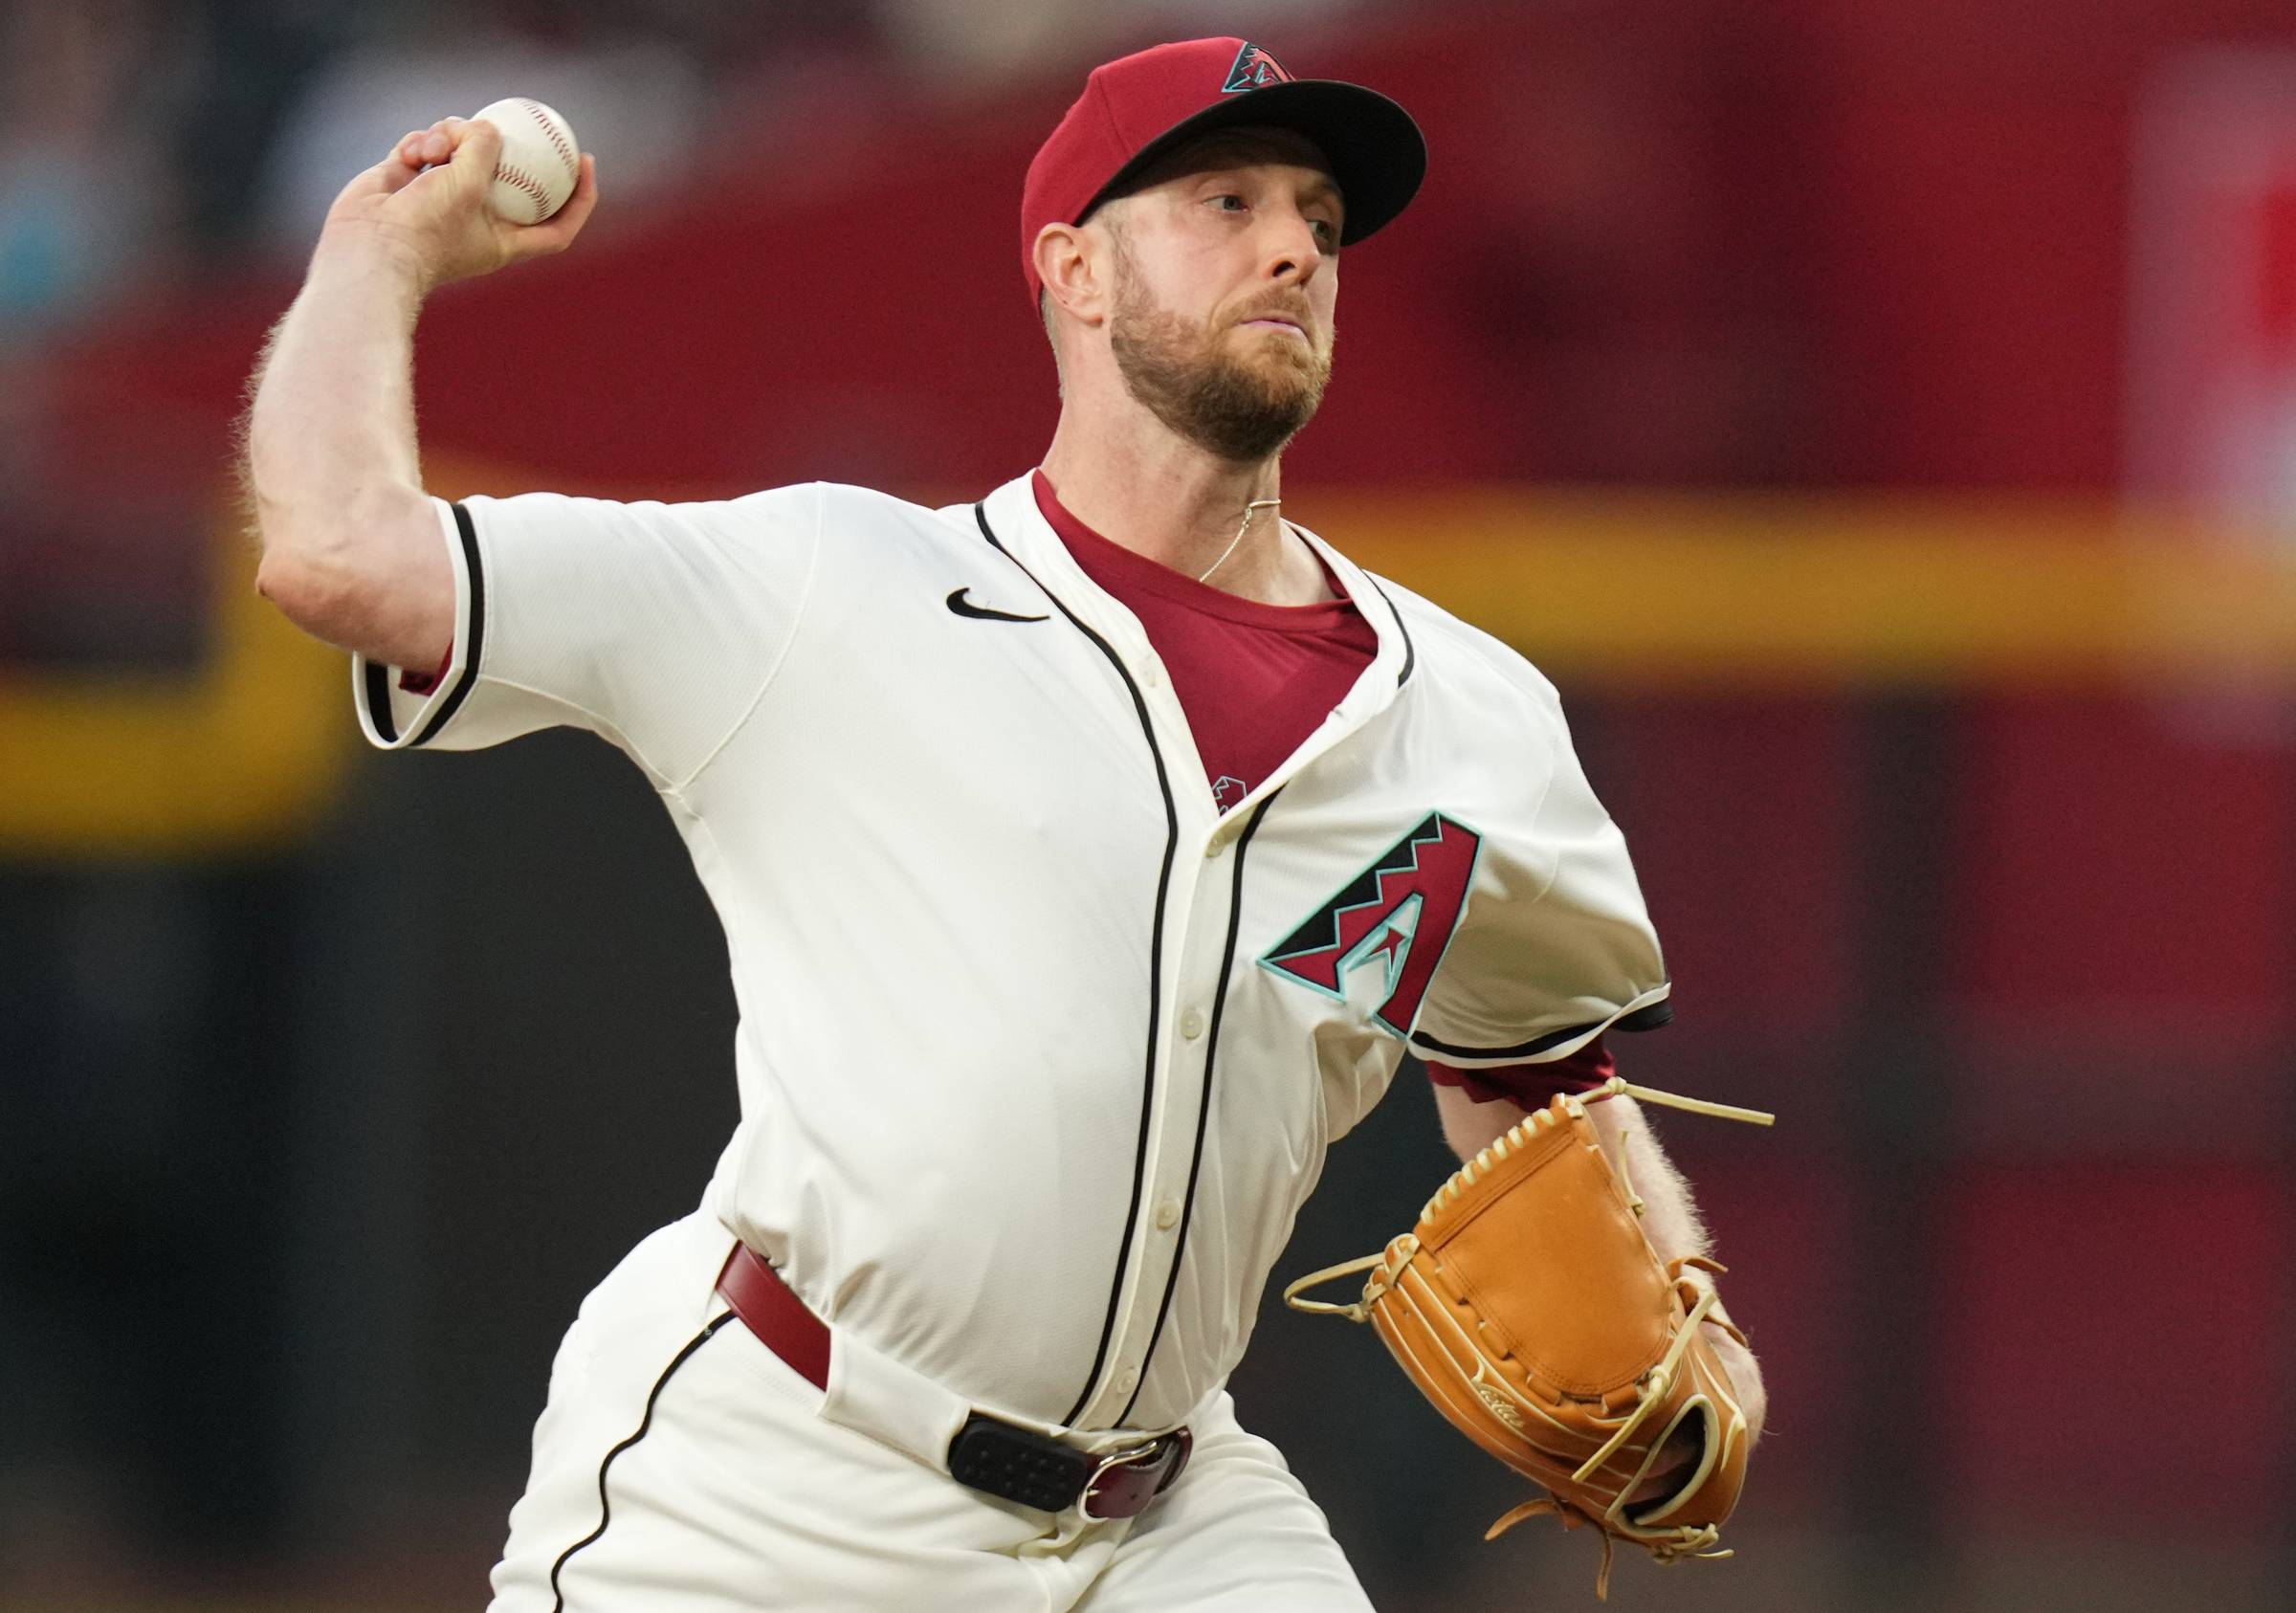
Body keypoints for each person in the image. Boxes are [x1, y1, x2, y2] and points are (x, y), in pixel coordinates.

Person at [244, 35, 1765, 1612]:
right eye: (1225, 199)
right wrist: (375, 253)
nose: (1296, 244)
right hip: (778, 1488)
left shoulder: (1471, 715)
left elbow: (1534, 1072)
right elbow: (339, 554)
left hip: (1170, 1513)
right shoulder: (827, 590)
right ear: (1076, 273)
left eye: (1317, 212)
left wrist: (1657, 1279)